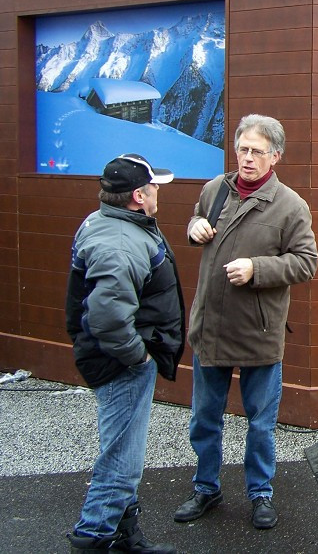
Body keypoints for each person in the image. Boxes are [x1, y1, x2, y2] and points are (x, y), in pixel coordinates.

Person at [174, 114, 318, 530]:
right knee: (204, 418)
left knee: (260, 423)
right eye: (242, 149)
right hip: (211, 328)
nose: (247, 158)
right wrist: (194, 225)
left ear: (275, 156)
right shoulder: (213, 190)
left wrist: (258, 269)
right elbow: (197, 224)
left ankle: (260, 493)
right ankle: (206, 487)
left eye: (257, 151)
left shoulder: (290, 205)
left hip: (259, 333)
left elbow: (307, 263)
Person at [65, 153, 184, 554]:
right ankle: (94, 535)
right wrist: (138, 357)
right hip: (121, 363)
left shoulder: (113, 222)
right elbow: (108, 316)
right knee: (122, 457)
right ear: (138, 195)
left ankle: (125, 535)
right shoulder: (119, 241)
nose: (156, 193)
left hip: (119, 358)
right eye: (153, 187)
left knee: (124, 447)